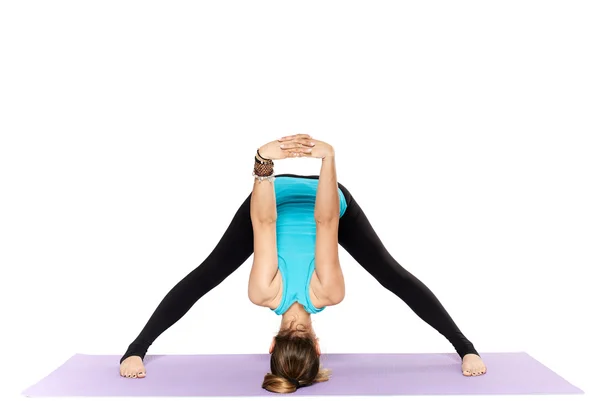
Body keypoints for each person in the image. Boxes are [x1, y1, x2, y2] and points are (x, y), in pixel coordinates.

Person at [119, 134, 487, 392]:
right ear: (270, 346)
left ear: (318, 346)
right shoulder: (264, 293)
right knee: (390, 274)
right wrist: (263, 161)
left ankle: (466, 348)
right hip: (274, 194)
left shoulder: (327, 293)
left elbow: (321, 221)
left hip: (310, 197)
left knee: (392, 275)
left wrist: (328, 159)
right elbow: (277, 222)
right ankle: (135, 349)